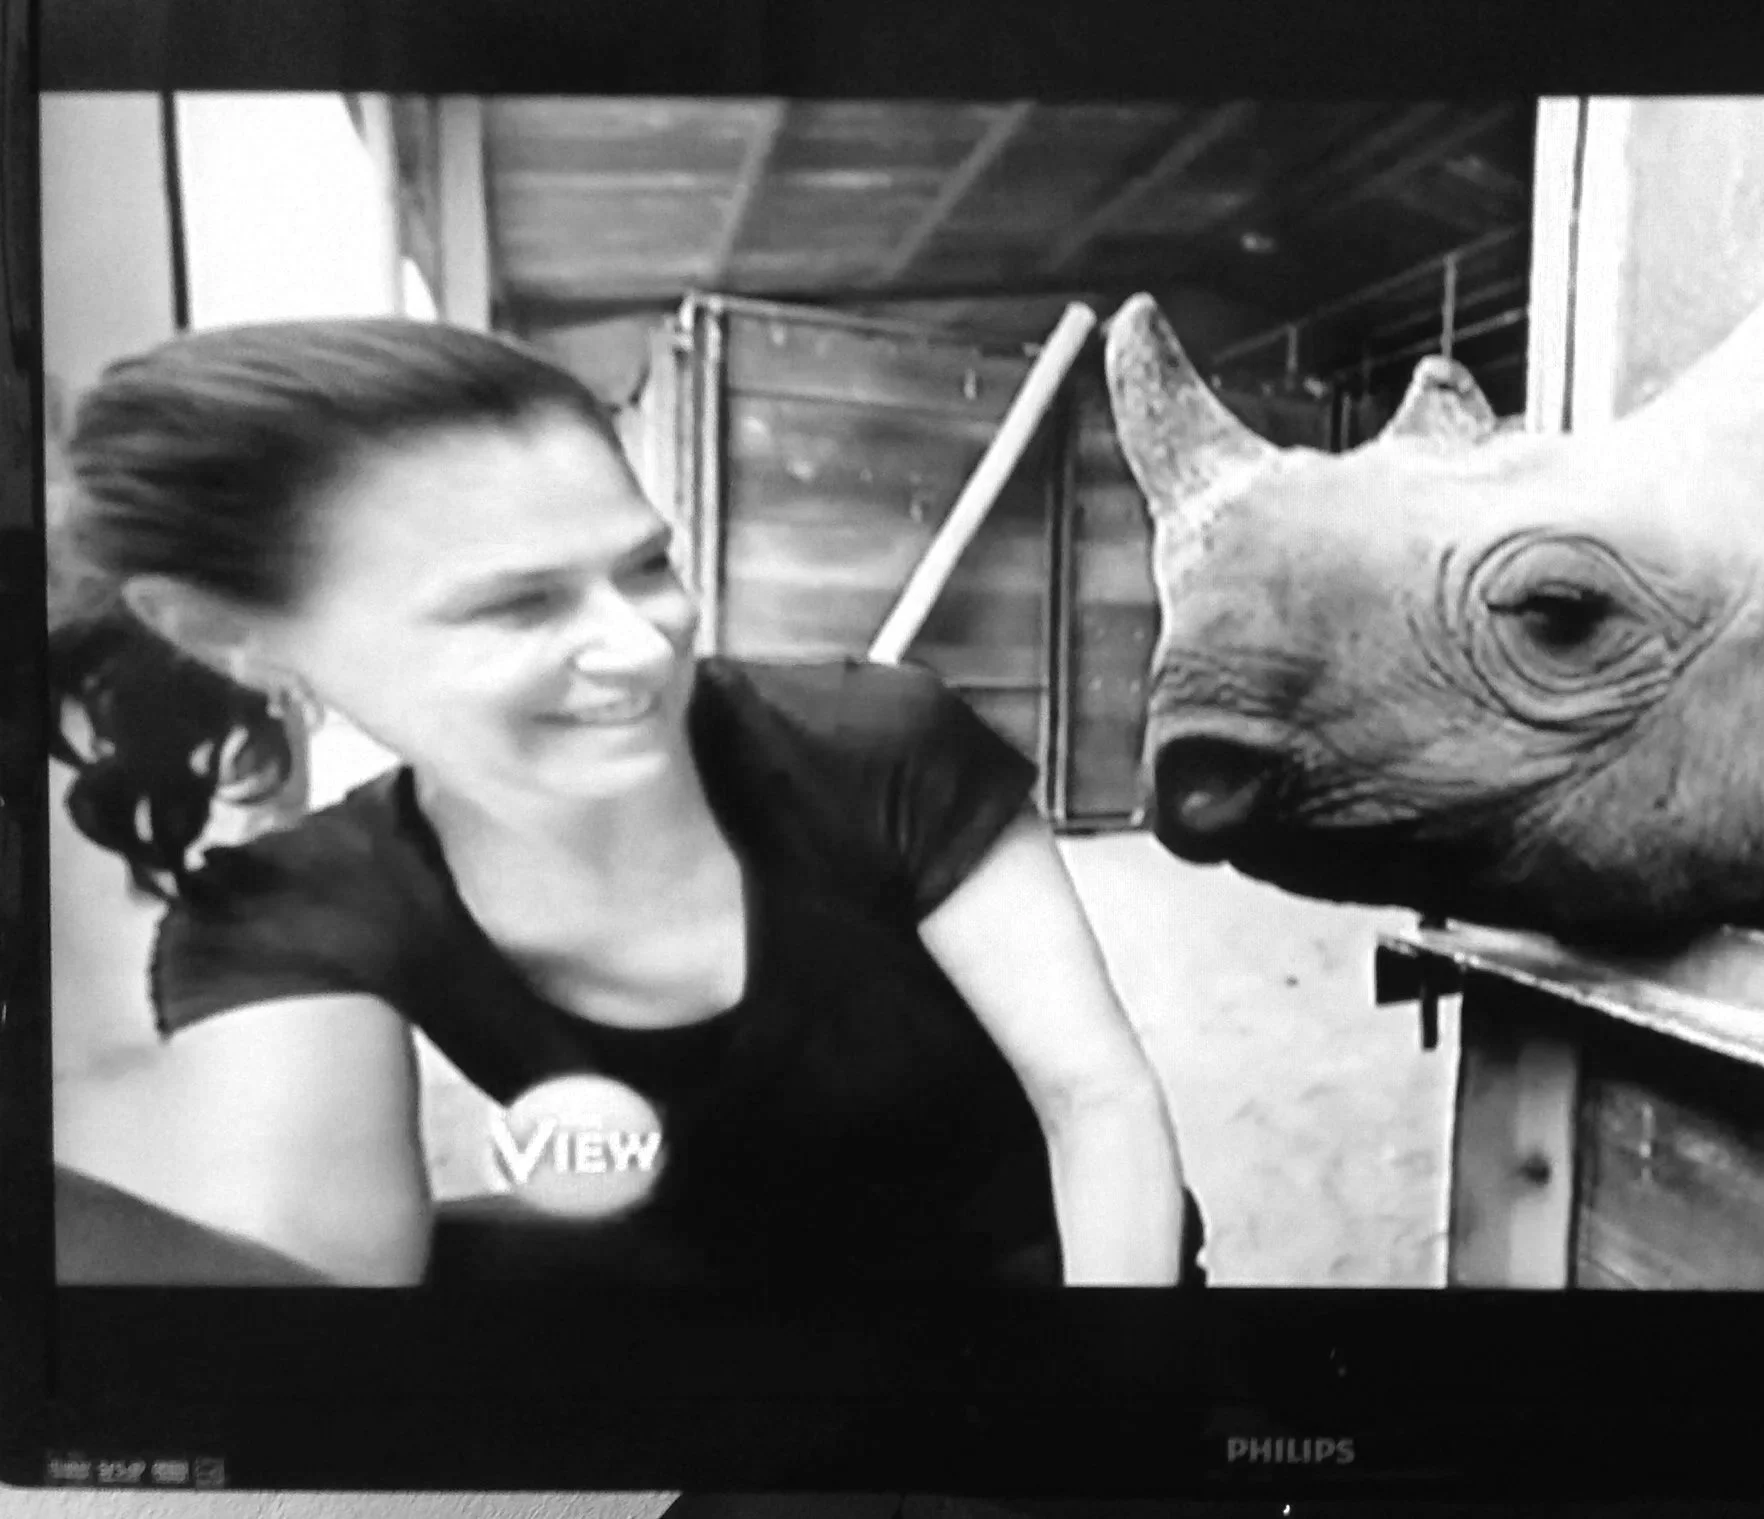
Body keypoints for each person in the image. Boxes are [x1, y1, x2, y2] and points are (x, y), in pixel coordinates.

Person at [47, 316, 1203, 1291]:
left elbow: (1093, 1096)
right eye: (518, 605)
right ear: (227, 635)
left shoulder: (871, 744)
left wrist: (1097, 1391)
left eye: (646, 566)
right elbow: (334, 1301)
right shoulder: (293, 910)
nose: (640, 645)